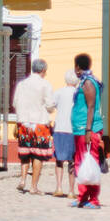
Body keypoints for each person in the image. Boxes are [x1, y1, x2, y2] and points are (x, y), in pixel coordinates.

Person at [13, 58, 56, 194]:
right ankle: (33, 187)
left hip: (24, 123)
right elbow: (50, 105)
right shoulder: (45, 85)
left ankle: (22, 180)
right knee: (38, 155)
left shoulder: (22, 84)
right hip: (39, 123)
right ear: (43, 70)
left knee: (25, 153)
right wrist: (51, 109)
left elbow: (15, 102)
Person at [71, 52, 105, 209]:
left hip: (87, 129)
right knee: (82, 162)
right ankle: (83, 196)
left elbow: (91, 106)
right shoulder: (86, 81)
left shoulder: (88, 83)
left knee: (89, 163)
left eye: (75, 66)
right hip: (81, 128)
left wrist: (88, 130)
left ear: (78, 66)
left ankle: (93, 199)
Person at [51, 69, 78, 198]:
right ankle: (71, 191)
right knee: (72, 160)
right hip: (74, 130)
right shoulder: (79, 94)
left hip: (60, 128)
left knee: (59, 160)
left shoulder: (59, 92)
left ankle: (59, 187)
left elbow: (50, 105)